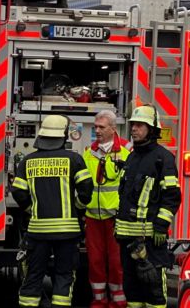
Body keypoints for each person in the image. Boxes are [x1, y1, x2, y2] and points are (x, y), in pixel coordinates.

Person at [11, 115, 94, 308]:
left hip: (38, 231)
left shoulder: (28, 161)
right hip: (67, 231)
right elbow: (86, 190)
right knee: (64, 275)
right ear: (63, 136)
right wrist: (78, 208)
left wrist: (32, 209)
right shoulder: (74, 159)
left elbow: (18, 192)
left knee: (33, 274)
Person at [115, 106, 181, 308]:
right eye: (133, 125)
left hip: (150, 237)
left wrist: (161, 226)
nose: (134, 129)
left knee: (153, 287)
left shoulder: (163, 158)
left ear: (152, 129)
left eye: (140, 125)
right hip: (127, 237)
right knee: (131, 288)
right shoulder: (132, 156)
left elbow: (172, 196)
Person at [81, 110, 130, 308]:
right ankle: (98, 300)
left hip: (116, 218)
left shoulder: (127, 152)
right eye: (95, 127)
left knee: (117, 262)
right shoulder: (88, 153)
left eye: (101, 127)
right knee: (95, 261)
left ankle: (118, 302)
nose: (97, 130)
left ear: (113, 128)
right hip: (92, 217)